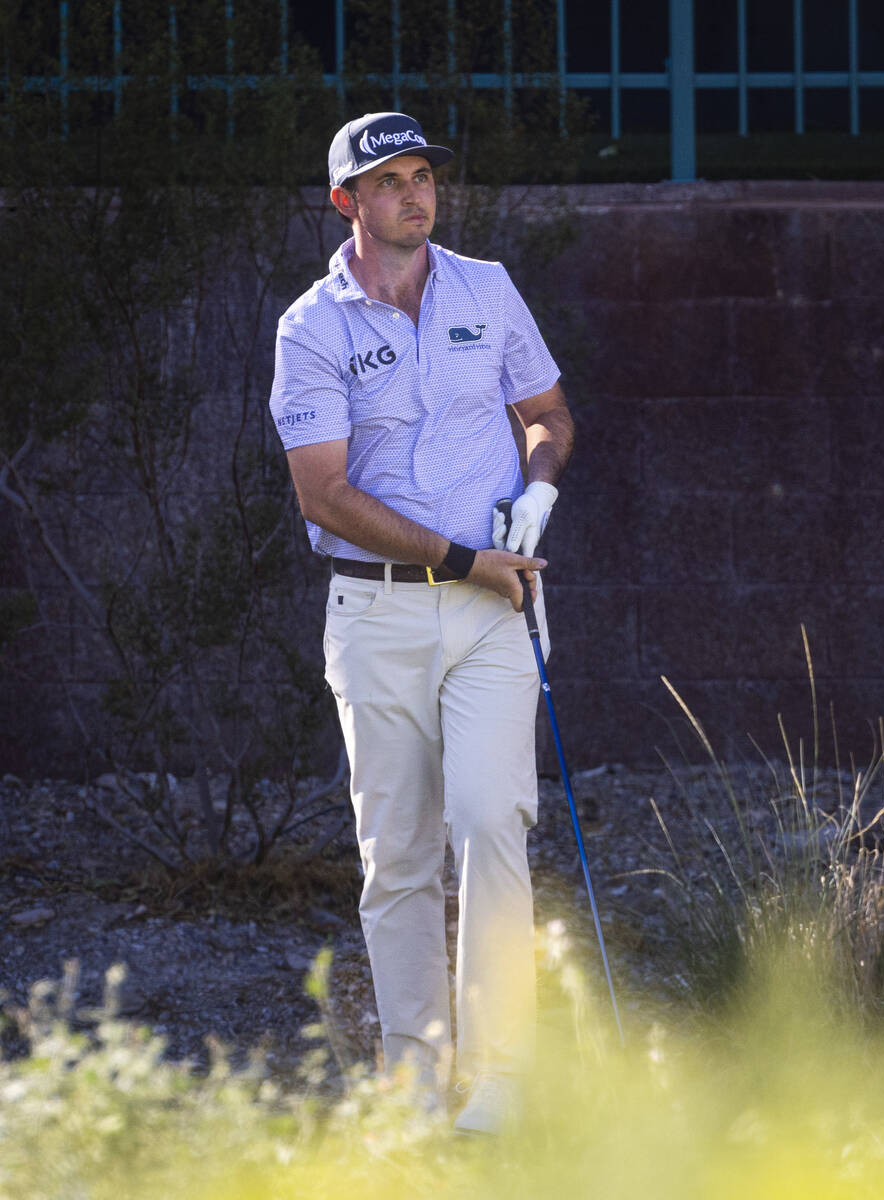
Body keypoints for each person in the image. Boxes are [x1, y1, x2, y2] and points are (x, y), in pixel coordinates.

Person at [268, 111, 574, 1134]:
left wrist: (536, 489)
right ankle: (412, 1077)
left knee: (492, 823)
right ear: (344, 202)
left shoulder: (483, 288)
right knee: (396, 853)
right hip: (377, 613)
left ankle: (498, 1082)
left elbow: (547, 411)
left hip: (495, 609)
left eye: (423, 176)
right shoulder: (312, 329)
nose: (415, 193)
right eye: (389, 181)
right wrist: (459, 558)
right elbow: (325, 495)